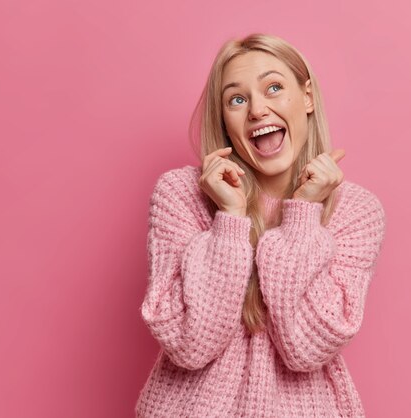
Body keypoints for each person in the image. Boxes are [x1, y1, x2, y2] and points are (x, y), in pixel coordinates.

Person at [135, 33, 386, 417]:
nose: (257, 110)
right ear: (224, 119)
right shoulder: (180, 195)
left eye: (274, 88)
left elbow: (306, 349)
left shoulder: (355, 211)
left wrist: (303, 214)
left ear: (306, 98)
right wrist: (230, 218)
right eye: (237, 99)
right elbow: (190, 344)